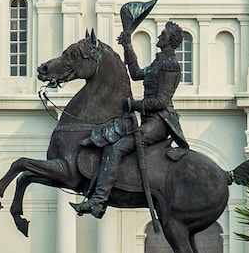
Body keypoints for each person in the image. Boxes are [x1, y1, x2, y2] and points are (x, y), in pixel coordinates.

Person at [75, 15, 188, 218]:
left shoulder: (170, 65)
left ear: (170, 40)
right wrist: (127, 44)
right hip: (148, 119)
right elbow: (136, 73)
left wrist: (133, 104)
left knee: (117, 149)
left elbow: (161, 102)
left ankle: (98, 202)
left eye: (163, 34)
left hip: (160, 121)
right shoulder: (158, 62)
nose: (159, 37)